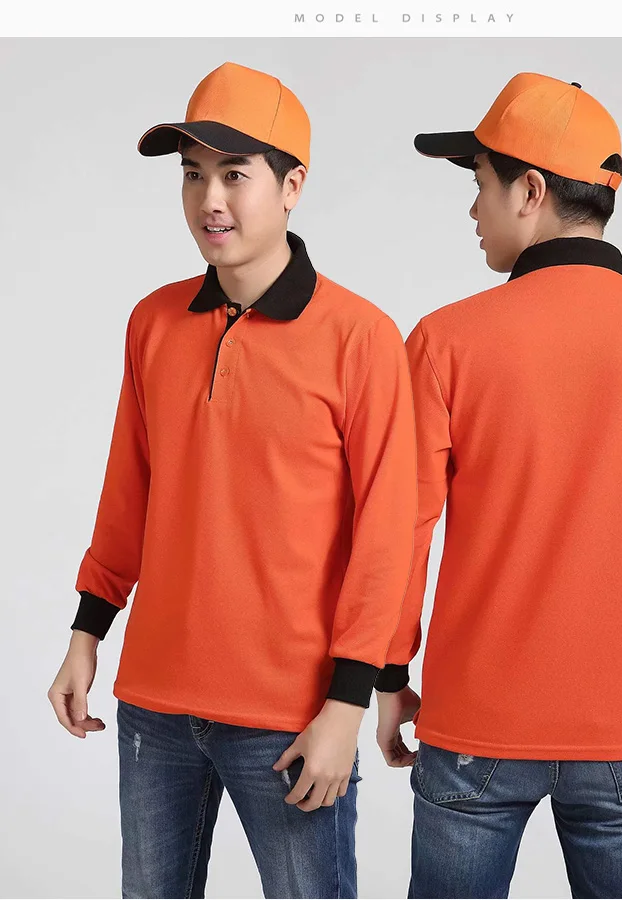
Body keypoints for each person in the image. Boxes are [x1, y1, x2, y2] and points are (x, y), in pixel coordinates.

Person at [373, 73, 622, 899]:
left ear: (530, 190)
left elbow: (399, 526)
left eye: (480, 184)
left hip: (474, 724)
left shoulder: (445, 341)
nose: (471, 209)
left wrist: (387, 672)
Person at [47, 60, 417, 899]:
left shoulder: (361, 338)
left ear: (292, 186)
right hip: (155, 705)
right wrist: (86, 632)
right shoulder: (153, 321)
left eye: (234, 175)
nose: (209, 199)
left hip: (291, 716)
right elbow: (129, 490)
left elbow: (386, 535)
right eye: (192, 175)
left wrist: (348, 704)